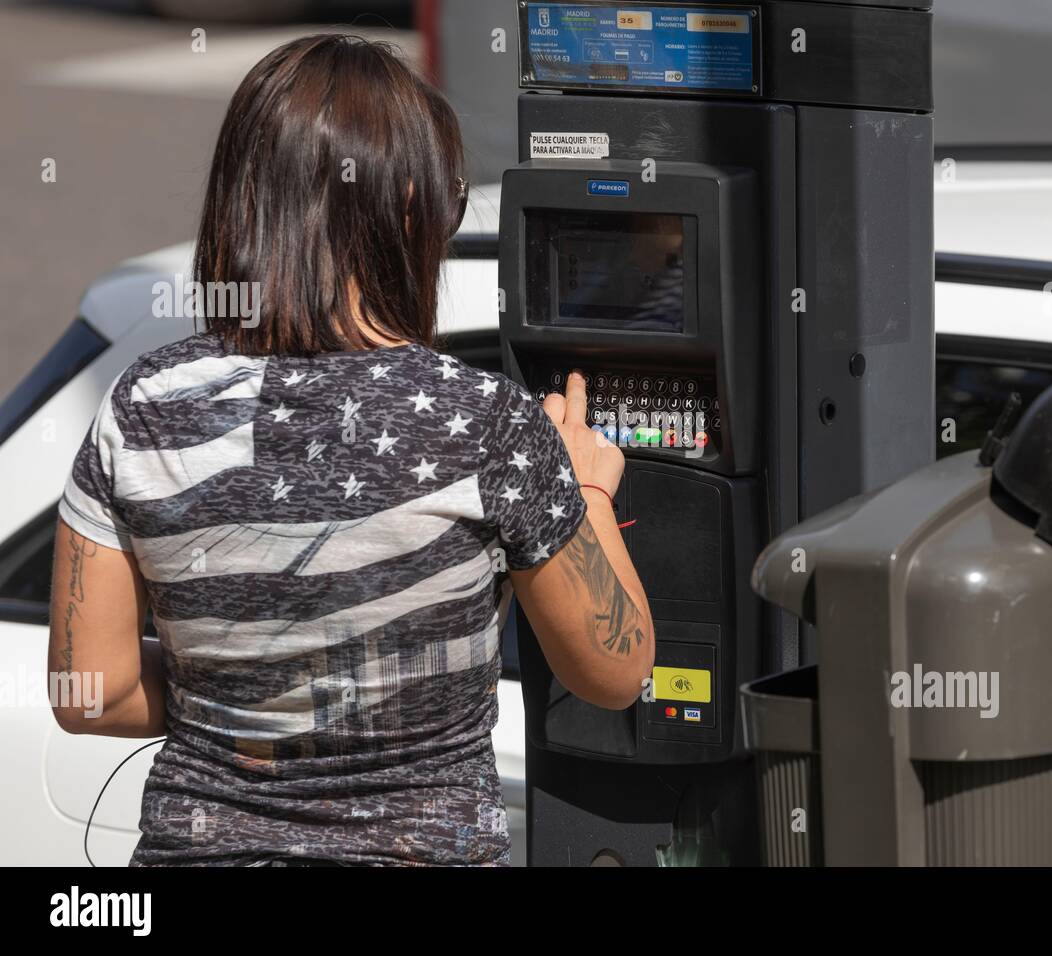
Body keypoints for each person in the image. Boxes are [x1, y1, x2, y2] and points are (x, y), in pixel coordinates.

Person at [46, 34, 653, 866]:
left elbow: (92, 695)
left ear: (241, 194)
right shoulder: (486, 423)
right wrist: (586, 493)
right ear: (410, 204)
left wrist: (241, 688)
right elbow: (615, 672)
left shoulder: (143, 408)